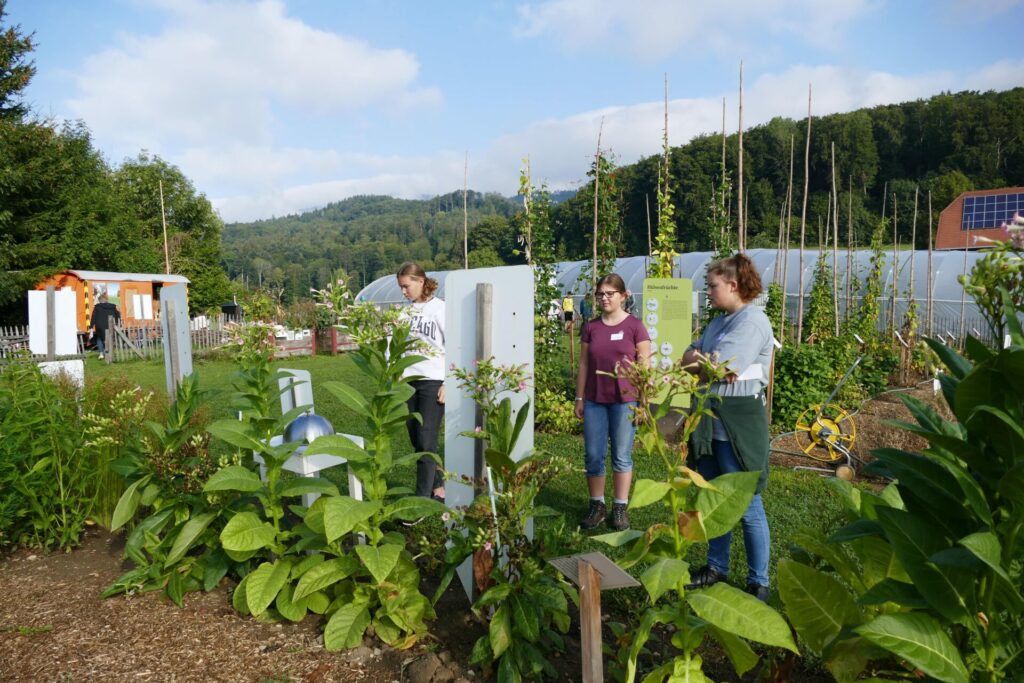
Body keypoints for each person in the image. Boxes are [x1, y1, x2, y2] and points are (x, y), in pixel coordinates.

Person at [681, 253, 774, 603]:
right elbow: (688, 359)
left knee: (747, 505)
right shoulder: (720, 323)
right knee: (714, 501)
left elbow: (722, 370)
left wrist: (705, 361)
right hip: (712, 425)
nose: (708, 292)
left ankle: (758, 582)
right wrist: (704, 361)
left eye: (713, 286)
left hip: (738, 426)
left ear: (733, 285)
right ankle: (715, 567)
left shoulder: (752, 322)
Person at [574, 274, 651, 531]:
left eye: (609, 294)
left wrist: (643, 401)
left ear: (623, 296)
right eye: (600, 294)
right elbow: (584, 364)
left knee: (621, 455)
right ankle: (597, 505)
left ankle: (620, 507)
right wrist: (580, 397)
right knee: (593, 455)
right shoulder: (591, 328)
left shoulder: (635, 327)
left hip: (624, 401)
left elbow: (644, 366)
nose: (604, 298)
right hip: (595, 400)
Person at [396, 262, 446, 502]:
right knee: (416, 437)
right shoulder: (404, 313)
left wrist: (449, 382)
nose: (403, 292)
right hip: (409, 380)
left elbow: (454, 345)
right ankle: (439, 487)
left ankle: (421, 500)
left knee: (426, 439)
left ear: (421, 282)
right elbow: (394, 345)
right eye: (401, 288)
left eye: (406, 286)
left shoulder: (440, 309)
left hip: (432, 381)